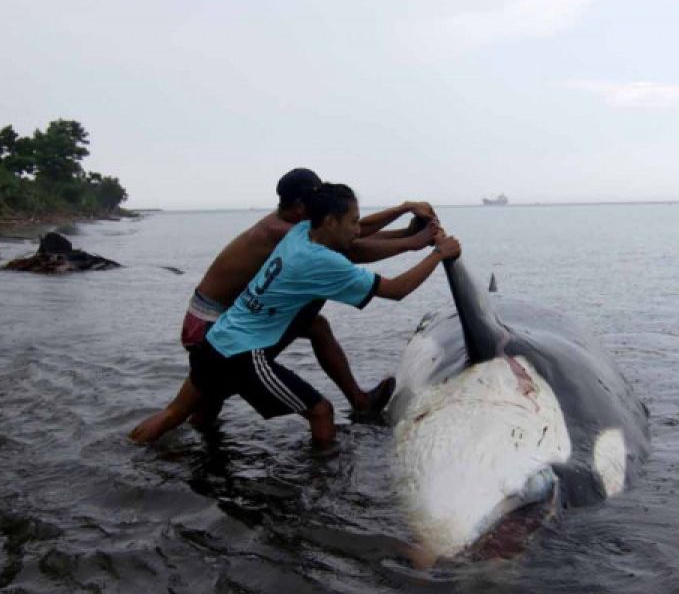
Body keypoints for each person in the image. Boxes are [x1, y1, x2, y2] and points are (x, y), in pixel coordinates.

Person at [130, 182, 461, 446]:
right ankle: (321, 488)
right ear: (330, 222)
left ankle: (126, 452)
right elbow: (396, 290)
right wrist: (436, 253)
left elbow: (358, 236)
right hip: (241, 355)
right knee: (321, 412)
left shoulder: (299, 232)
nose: (358, 228)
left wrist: (408, 227)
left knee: (173, 414)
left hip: (216, 341)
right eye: (353, 221)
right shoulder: (321, 261)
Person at [177, 167, 438, 426]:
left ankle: (359, 400)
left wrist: (405, 219)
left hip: (236, 315)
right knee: (207, 403)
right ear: (300, 205)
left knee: (317, 326)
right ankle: (198, 450)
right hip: (209, 319)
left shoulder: (299, 225)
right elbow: (352, 248)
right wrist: (413, 241)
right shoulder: (281, 230)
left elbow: (352, 228)